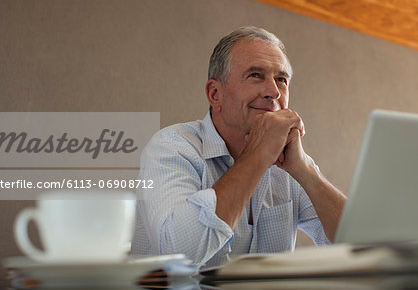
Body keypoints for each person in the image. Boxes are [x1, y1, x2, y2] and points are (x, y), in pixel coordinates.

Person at [131, 26, 346, 270]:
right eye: (255, 75)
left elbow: (364, 249)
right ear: (215, 94)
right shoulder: (172, 147)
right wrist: (257, 155)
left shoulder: (290, 163)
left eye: (281, 80)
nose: (273, 92)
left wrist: (307, 172)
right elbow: (180, 253)